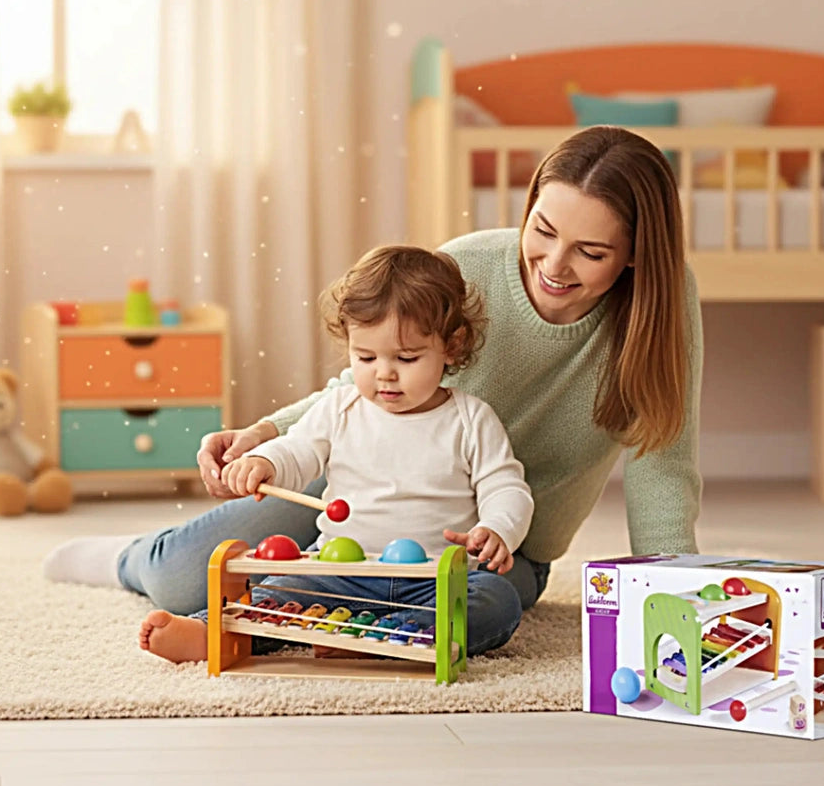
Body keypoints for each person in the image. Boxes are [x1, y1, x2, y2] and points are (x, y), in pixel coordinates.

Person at [45, 124, 702, 633]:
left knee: (465, 614)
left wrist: (674, 603)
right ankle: (129, 559)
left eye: (590, 253)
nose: (554, 265)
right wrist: (269, 432)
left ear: (637, 255)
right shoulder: (468, 267)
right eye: (543, 231)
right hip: (357, 498)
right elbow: (364, 385)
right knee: (187, 577)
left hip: (489, 546)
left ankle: (292, 622)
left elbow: (662, 468)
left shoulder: (659, 317)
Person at [100, 246, 534, 662]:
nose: (384, 372)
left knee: (496, 601)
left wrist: (498, 527)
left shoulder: (471, 419)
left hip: (435, 579)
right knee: (277, 590)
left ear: (452, 347)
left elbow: (505, 487)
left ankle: (386, 634)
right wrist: (265, 462)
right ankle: (210, 631)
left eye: (406, 357)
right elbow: (299, 451)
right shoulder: (339, 407)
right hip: (342, 572)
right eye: (365, 356)